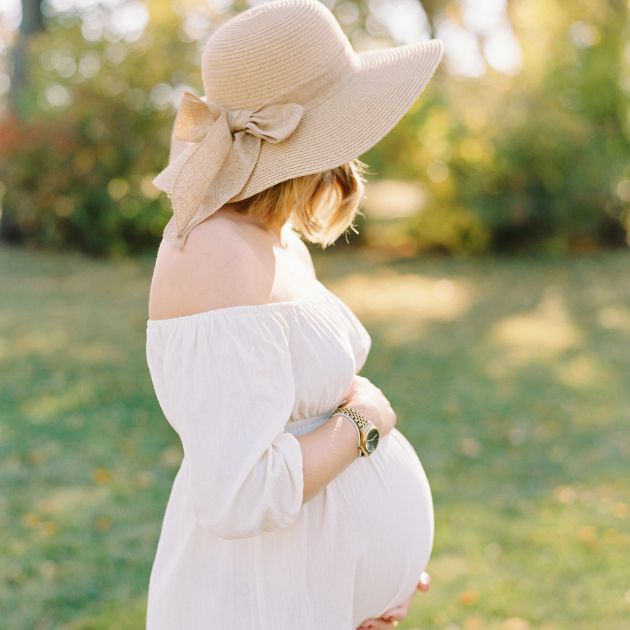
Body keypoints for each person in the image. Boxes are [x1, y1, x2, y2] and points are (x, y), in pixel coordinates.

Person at [145, 1, 444, 628]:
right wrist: (366, 419)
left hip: (310, 589)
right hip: (262, 599)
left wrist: (365, 568)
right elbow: (238, 494)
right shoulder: (212, 253)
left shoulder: (272, 235)